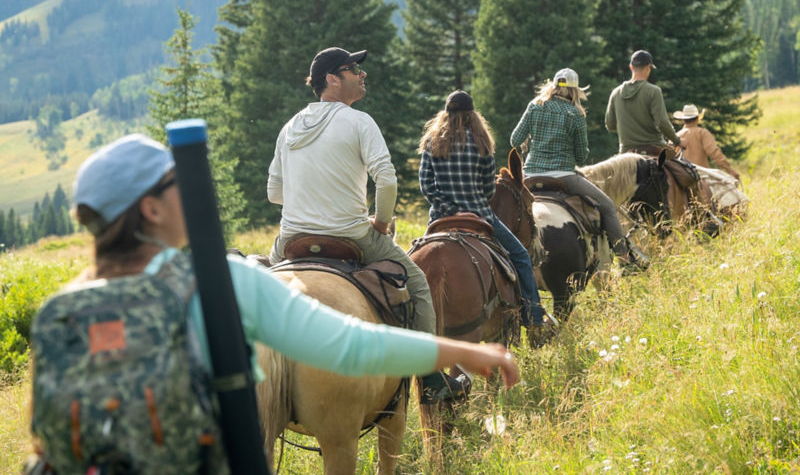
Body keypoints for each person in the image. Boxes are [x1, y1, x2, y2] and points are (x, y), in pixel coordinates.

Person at [28, 134, 519, 472]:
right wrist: (461, 352)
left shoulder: (60, 309)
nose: (194, 194)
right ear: (151, 210)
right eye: (179, 184)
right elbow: (347, 346)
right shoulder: (220, 285)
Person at [267, 47, 458, 399]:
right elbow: (386, 181)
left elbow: (274, 193)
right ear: (331, 79)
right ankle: (431, 380)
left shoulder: (289, 126)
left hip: (292, 238)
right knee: (417, 284)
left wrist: (309, 195)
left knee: (263, 290)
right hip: (352, 235)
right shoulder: (359, 122)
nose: (362, 73)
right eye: (353, 68)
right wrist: (382, 223)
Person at [418, 90, 553, 345]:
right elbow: (489, 189)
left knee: (415, 263)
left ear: (446, 114)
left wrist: (449, 206)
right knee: (522, 258)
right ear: (472, 115)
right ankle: (534, 319)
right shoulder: (481, 142)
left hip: (440, 218)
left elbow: (426, 186)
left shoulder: (431, 143)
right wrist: (469, 204)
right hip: (479, 214)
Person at [512, 68, 649, 270]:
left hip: (530, 174)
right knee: (608, 206)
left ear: (554, 86)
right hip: (563, 177)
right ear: (576, 91)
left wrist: (529, 147)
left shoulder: (534, 106)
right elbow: (581, 156)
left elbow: (515, 140)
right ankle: (625, 260)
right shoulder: (575, 114)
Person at [604, 49, 682, 156]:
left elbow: (610, 125)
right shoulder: (654, 91)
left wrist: (629, 128)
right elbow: (662, 123)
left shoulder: (615, 93)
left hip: (625, 152)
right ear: (648, 67)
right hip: (655, 149)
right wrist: (677, 140)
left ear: (631, 67)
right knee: (683, 167)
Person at [673, 104, 741, 180]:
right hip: (701, 177)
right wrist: (730, 170)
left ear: (683, 120)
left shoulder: (676, 136)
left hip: (680, 179)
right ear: (697, 118)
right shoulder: (702, 133)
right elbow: (714, 153)